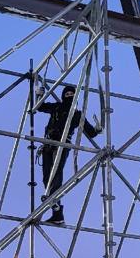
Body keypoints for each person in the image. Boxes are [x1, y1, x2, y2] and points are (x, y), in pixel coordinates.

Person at [36, 83, 100, 224]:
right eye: (67, 94)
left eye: (72, 94)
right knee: (47, 176)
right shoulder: (56, 107)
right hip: (48, 144)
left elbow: (91, 132)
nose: (69, 96)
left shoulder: (77, 115)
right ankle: (56, 210)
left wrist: (98, 128)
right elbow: (40, 107)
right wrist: (38, 95)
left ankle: (54, 202)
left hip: (62, 144)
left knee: (56, 173)